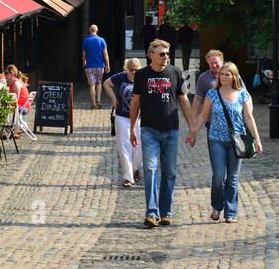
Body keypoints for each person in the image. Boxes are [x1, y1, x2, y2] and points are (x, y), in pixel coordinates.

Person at [129, 39, 197, 228]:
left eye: (167, 53)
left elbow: (184, 102)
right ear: (151, 55)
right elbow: (135, 103)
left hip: (171, 130)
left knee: (169, 172)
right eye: (162, 54)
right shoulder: (142, 75)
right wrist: (132, 129)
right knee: (150, 169)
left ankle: (166, 212)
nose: (166, 57)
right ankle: (152, 212)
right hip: (149, 129)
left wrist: (192, 127)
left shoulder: (176, 73)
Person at [188, 61, 262, 222]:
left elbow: (249, 118)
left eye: (227, 74)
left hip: (237, 140)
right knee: (219, 176)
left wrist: (257, 139)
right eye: (222, 74)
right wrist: (193, 132)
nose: (224, 77)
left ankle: (231, 213)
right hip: (216, 139)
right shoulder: (212, 94)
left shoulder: (243, 94)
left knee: (233, 177)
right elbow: (203, 116)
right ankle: (217, 206)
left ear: (234, 76)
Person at [103, 58, 143, 187]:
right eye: (131, 70)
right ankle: (128, 177)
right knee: (124, 146)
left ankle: (136, 167)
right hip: (122, 116)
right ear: (127, 69)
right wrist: (113, 99)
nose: (134, 73)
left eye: (136, 70)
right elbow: (106, 83)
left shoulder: (143, 78)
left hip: (140, 117)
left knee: (139, 147)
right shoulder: (121, 77)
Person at [81, 24, 110, 109]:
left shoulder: (85, 41)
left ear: (89, 31)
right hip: (100, 65)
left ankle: (93, 103)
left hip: (89, 66)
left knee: (92, 85)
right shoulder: (101, 40)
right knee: (99, 83)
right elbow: (105, 54)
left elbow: (84, 54)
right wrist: (108, 65)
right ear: (97, 31)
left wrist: (84, 62)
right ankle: (98, 99)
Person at [193, 49, 225, 119]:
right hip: (212, 121)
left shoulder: (233, 75)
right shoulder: (203, 77)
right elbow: (198, 98)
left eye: (216, 62)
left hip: (232, 121)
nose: (214, 65)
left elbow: (244, 94)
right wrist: (194, 118)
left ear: (222, 61)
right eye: (211, 63)